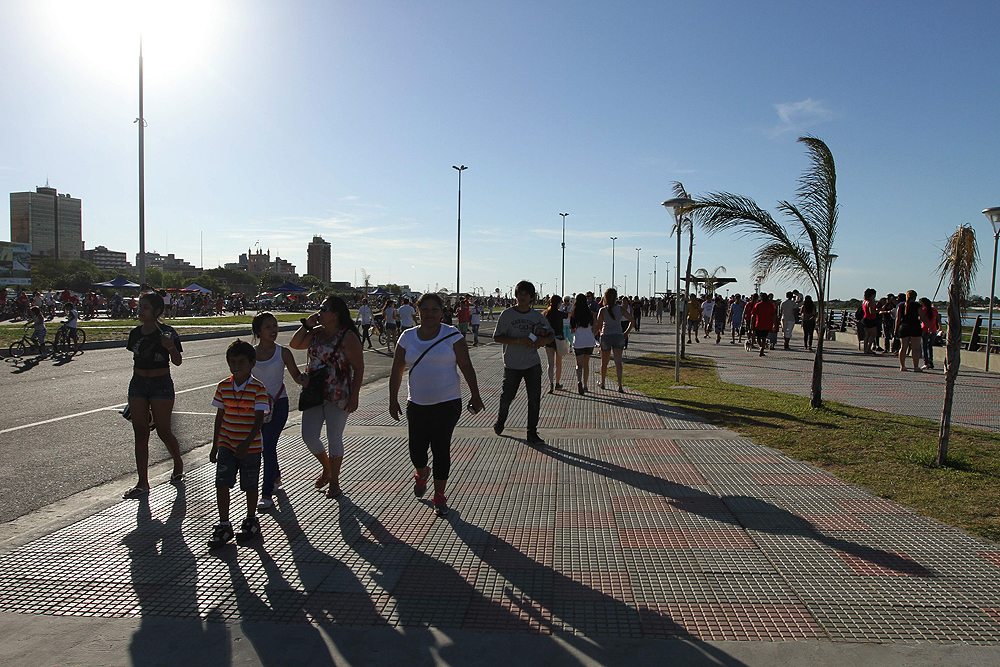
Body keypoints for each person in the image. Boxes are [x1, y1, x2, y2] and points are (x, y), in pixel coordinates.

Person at [389, 293, 484, 516]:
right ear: (417, 312)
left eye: (435, 310)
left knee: (441, 448)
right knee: (416, 451)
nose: (430, 314)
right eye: (426, 310)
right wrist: (393, 400)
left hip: (448, 403)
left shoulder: (452, 336)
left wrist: (476, 394)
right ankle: (422, 473)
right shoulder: (407, 337)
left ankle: (439, 494)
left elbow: (466, 366)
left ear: (442, 313)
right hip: (417, 404)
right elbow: (396, 371)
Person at [290, 296, 365, 498]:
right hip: (314, 391)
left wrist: (355, 395)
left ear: (335, 314)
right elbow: (295, 344)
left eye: (324, 309)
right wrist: (307, 325)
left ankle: (335, 482)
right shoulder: (316, 333)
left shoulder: (347, 336)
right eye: (320, 308)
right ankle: (327, 467)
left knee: (334, 436)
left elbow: (358, 368)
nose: (319, 312)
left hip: (338, 393)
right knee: (309, 436)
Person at [207, 340, 269, 548]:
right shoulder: (223, 386)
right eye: (232, 362)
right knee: (222, 482)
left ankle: (251, 518)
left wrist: (247, 443)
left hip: (249, 446)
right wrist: (216, 444)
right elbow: (220, 415)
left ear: (252, 363)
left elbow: (259, 419)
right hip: (226, 442)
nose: (236, 366)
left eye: (242, 362)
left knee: (250, 484)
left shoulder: (258, 388)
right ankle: (224, 524)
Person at [122, 291, 184, 499]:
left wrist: (171, 347)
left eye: (145, 307)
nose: (140, 311)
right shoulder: (135, 333)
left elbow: (177, 361)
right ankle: (143, 482)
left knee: (163, 431)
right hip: (138, 383)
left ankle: (177, 462)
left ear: (157, 311)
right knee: (140, 432)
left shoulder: (167, 333)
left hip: (161, 384)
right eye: (140, 306)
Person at [251, 312, 304, 511]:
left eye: (275, 325)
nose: (273, 330)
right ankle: (276, 476)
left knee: (268, 444)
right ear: (258, 331)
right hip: (257, 407)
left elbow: (297, 376)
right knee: (265, 445)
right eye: (268, 327)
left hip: (278, 405)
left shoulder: (283, 353)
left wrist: (307, 379)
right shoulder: (251, 354)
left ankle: (266, 493)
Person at [493, 280, 554, 446]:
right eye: (520, 293)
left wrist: (542, 342)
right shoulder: (507, 315)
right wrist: (518, 340)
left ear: (532, 297)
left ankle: (532, 432)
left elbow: (550, 335)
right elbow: (497, 337)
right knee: (507, 396)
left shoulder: (536, 316)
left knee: (534, 399)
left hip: (532, 364)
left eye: (526, 294)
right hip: (512, 365)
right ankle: (501, 420)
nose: (522, 297)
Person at [597, 287, 634, 393]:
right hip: (618, 335)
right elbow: (632, 321)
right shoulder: (621, 309)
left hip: (606, 336)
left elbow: (598, 326)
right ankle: (619, 385)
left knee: (604, 362)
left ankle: (603, 382)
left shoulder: (603, 310)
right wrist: (626, 333)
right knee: (618, 362)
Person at [570, 293, 598, 395]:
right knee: (586, 364)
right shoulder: (591, 314)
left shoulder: (574, 314)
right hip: (589, 342)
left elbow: (572, 331)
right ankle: (586, 385)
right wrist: (591, 335)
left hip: (578, 342)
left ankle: (579, 381)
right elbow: (595, 328)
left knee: (579, 364)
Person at [542, 295, 568, 393]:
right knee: (559, 363)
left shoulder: (546, 313)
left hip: (549, 339)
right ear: (558, 303)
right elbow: (569, 315)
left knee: (550, 363)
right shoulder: (560, 314)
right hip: (559, 339)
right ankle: (557, 383)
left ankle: (551, 384)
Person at [896, 290, 923, 372]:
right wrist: (929, 327)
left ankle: (902, 366)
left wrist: (896, 329)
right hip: (915, 327)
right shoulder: (917, 306)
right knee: (915, 348)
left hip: (904, 327)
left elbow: (898, 319)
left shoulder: (901, 306)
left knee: (903, 347)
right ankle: (915, 366)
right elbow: (922, 317)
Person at [919, 297, 940, 370]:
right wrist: (939, 327)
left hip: (925, 329)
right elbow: (938, 318)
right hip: (933, 330)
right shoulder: (934, 310)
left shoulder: (923, 310)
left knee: (924, 346)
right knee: (930, 345)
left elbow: (922, 319)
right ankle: (930, 360)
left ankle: (926, 362)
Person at [861, 288, 879, 354]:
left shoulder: (865, 301)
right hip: (870, 319)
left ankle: (865, 348)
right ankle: (868, 348)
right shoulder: (871, 302)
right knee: (874, 334)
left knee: (867, 335)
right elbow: (872, 312)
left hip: (865, 319)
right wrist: (879, 310)